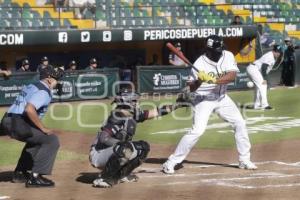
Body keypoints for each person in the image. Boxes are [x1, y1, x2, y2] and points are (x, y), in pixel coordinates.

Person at [162, 35, 257, 174]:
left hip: (222, 98)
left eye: (220, 49)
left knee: (240, 123)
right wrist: (200, 81)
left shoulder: (227, 55)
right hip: (203, 99)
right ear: (209, 50)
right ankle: (171, 162)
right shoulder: (199, 64)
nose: (220, 52)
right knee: (197, 131)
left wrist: (214, 80)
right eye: (217, 50)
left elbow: (231, 76)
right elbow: (191, 88)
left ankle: (244, 160)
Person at [90, 90, 183, 188]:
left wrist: (178, 105)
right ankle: (104, 178)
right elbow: (103, 138)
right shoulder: (116, 117)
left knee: (143, 148)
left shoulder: (132, 115)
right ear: (127, 103)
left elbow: (156, 112)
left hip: (113, 153)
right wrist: (120, 144)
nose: (137, 103)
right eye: (134, 101)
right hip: (99, 154)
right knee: (125, 147)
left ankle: (121, 175)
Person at [0, 65, 64, 188]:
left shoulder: (33, 85)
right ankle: (35, 177)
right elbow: (29, 109)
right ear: (49, 79)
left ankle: (20, 173)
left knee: (36, 140)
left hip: (8, 119)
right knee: (51, 140)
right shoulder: (44, 91)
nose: (58, 82)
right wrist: (43, 128)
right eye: (57, 79)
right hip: (17, 123)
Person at [246, 45, 283, 110]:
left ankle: (256, 105)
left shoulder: (273, 56)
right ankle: (265, 105)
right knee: (263, 85)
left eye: (279, 52)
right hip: (254, 69)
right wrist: (264, 79)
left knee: (258, 87)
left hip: (254, 69)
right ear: (273, 51)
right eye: (276, 51)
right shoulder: (270, 56)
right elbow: (264, 67)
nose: (278, 53)